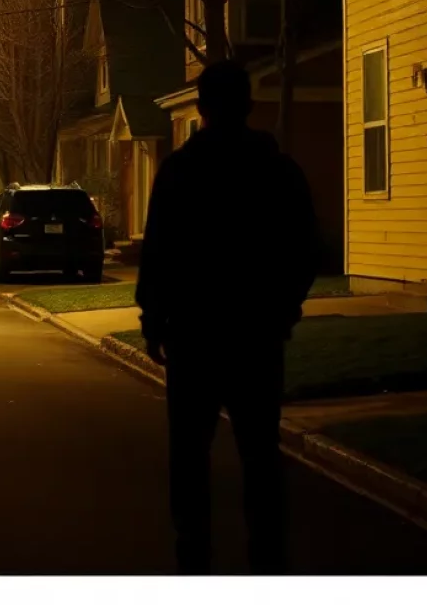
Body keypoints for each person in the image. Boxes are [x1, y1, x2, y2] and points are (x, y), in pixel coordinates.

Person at [136, 59, 318, 575]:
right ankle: (267, 557)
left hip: (194, 336)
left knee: (189, 455)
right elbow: (305, 247)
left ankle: (193, 556)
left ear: (200, 108)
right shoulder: (278, 171)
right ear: (249, 105)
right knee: (260, 452)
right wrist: (284, 307)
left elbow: (160, 251)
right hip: (256, 336)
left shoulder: (179, 171)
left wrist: (154, 319)